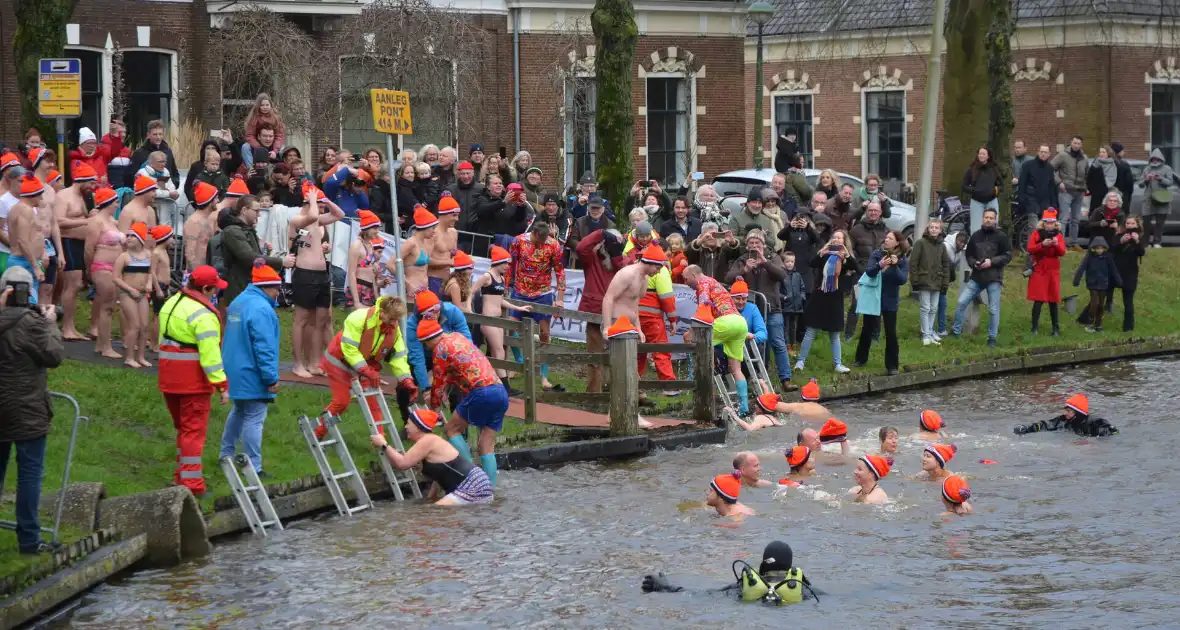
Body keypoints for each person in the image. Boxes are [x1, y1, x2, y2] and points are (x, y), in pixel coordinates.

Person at [0, 266, 65, 554]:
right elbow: (53, 356)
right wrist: (50, 322)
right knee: (28, 474)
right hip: (28, 409)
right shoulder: (35, 323)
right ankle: (28, 539)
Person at [157, 265, 230, 497]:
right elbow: (210, 356)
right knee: (193, 431)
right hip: (193, 382)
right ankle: (192, 485)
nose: (215, 293)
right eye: (214, 289)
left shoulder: (172, 302)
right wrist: (221, 385)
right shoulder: (204, 315)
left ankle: (181, 476)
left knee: (183, 429)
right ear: (206, 288)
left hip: (169, 378)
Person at [418, 319, 509, 486]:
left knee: (451, 429)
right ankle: (489, 490)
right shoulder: (458, 336)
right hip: (500, 391)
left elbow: (438, 383)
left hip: (481, 392)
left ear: (429, 340)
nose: (426, 348)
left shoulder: (440, 349)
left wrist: (435, 406)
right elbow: (461, 368)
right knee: (485, 446)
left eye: (425, 344)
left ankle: (471, 477)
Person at [316, 296, 416, 440]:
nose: (395, 323)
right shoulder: (358, 318)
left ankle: (381, 441)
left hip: (364, 366)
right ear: (382, 312)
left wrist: (406, 380)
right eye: (392, 319)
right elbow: (349, 349)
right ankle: (318, 432)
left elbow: (398, 357)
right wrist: (366, 371)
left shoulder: (393, 328)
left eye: (397, 320)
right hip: (339, 362)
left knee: (374, 403)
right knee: (341, 402)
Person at [219, 263, 282, 476]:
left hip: (233, 367)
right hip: (252, 371)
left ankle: (225, 455)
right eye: (276, 289)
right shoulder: (262, 309)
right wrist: (271, 378)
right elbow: (264, 347)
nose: (277, 293)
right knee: (255, 417)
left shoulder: (239, 301)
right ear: (266, 287)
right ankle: (253, 468)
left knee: (238, 411)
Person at [370, 408, 493, 505]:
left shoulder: (428, 440)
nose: (406, 427)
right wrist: (430, 498)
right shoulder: (428, 441)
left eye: (408, 423)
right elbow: (439, 476)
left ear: (418, 427)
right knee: (431, 512)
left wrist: (383, 444)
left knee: (434, 515)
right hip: (475, 484)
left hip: (472, 485)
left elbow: (402, 464)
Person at [642, 541, 821, 605]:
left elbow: (697, 595)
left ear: (763, 564)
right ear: (790, 567)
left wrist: (663, 587)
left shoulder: (743, 586)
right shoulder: (802, 590)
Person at [288, 186, 345, 378]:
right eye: (319, 205)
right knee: (302, 319)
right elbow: (310, 216)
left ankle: (314, 362)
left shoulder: (317, 218)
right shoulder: (297, 219)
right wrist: (313, 200)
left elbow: (339, 214)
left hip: (321, 275)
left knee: (319, 320)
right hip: (305, 274)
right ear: (308, 202)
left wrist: (326, 200)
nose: (321, 209)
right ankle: (298, 363)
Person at [727, 229, 793, 390]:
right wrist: (744, 271)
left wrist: (765, 263)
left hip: (772, 307)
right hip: (749, 309)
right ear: (747, 245)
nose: (755, 246)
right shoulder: (742, 260)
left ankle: (786, 379)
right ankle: (757, 378)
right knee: (755, 343)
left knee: (778, 343)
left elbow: (782, 275)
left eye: (758, 243)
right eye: (751, 243)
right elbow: (728, 278)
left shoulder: (773, 257)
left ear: (763, 245)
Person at [682, 265, 750, 415]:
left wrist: (691, 330)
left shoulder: (703, 283)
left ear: (694, 275)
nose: (685, 282)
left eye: (685, 279)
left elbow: (704, 306)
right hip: (740, 323)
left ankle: (695, 376)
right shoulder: (714, 282)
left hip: (727, 322)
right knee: (735, 369)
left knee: (689, 338)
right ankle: (744, 408)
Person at [506, 221, 566, 392]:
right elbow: (511, 264)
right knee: (510, 327)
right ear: (533, 234)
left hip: (543, 293)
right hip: (520, 291)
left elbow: (560, 271)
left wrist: (560, 298)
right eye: (537, 242)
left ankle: (544, 376)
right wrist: (506, 287)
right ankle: (518, 360)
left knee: (545, 334)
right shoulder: (519, 241)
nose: (540, 245)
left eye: (543, 242)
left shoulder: (553, 245)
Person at [218, 194, 295, 310]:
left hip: (246, 286)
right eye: (256, 210)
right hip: (238, 289)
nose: (259, 214)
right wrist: (281, 261)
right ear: (244, 210)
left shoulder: (246, 229)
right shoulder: (233, 231)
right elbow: (249, 257)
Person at [575, 229, 629, 392]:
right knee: (594, 355)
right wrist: (601, 233)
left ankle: (618, 389)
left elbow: (624, 267)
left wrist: (614, 254)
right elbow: (580, 248)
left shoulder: (623, 261)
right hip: (594, 310)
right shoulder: (591, 258)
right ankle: (594, 392)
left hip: (617, 313)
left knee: (619, 353)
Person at [794, 232, 857, 373]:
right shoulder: (826, 254)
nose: (836, 239)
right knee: (811, 330)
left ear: (844, 241)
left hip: (835, 298)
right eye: (834, 237)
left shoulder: (845, 258)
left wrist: (846, 254)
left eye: (840, 238)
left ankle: (838, 364)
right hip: (820, 296)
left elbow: (856, 268)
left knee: (834, 334)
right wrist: (822, 252)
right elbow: (812, 263)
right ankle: (800, 361)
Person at [950, 208, 1011, 348]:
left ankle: (992, 338)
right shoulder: (976, 236)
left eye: (991, 218)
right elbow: (969, 255)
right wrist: (974, 263)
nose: (988, 220)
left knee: (993, 309)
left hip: (994, 277)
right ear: (982, 218)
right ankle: (956, 331)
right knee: (961, 302)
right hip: (977, 276)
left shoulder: (1001, 237)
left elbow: (1008, 255)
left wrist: (992, 262)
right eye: (986, 217)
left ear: (995, 220)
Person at [472, 246, 532, 389]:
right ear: (497, 262)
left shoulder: (501, 278)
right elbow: (472, 290)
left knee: (498, 351)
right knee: (499, 350)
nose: (507, 266)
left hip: (498, 319)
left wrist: (518, 308)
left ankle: (492, 382)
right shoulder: (487, 276)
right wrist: (469, 309)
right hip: (488, 319)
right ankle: (505, 386)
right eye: (505, 263)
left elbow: (500, 300)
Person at [853, 231, 909, 375]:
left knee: (891, 332)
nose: (886, 240)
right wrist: (880, 264)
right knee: (867, 328)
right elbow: (869, 272)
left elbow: (902, 280)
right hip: (874, 297)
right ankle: (860, 359)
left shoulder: (902, 259)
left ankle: (892, 366)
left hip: (890, 299)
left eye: (890, 238)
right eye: (886, 238)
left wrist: (895, 266)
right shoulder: (877, 254)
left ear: (897, 242)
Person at [54, 161, 98, 340]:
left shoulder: (85, 196)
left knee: (75, 285)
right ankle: (67, 327)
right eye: (91, 183)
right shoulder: (64, 196)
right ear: (82, 180)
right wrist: (84, 221)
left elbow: (86, 218)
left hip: (81, 243)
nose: (93, 187)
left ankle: (70, 326)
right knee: (72, 285)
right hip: (68, 242)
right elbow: (58, 221)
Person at [407, 289, 472, 398]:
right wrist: (426, 388)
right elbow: (417, 357)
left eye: (437, 310)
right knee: (407, 384)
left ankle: (458, 410)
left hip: (451, 357)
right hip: (427, 356)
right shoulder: (412, 324)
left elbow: (467, 343)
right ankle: (408, 412)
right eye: (429, 313)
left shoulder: (453, 312)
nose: (435, 315)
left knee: (458, 391)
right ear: (420, 315)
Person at [633, 241, 678, 396]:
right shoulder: (661, 270)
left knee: (638, 352)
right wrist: (673, 320)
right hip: (651, 317)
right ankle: (669, 386)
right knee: (660, 349)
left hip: (633, 315)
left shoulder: (635, 264)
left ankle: (632, 383)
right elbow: (667, 297)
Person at [84, 187, 123, 358]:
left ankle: (101, 344)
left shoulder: (112, 222)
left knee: (110, 305)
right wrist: (89, 269)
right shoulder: (96, 222)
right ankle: (106, 347)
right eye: (115, 201)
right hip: (101, 266)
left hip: (114, 268)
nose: (117, 204)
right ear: (107, 203)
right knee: (107, 305)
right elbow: (88, 249)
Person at [114, 222, 154, 369]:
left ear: (141, 239)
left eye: (133, 236)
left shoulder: (148, 255)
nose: (129, 238)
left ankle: (141, 356)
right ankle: (129, 357)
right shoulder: (124, 257)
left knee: (144, 326)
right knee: (134, 326)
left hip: (142, 294)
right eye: (128, 235)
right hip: (127, 294)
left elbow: (151, 272)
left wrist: (149, 283)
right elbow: (116, 278)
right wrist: (130, 289)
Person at [1025, 209, 1067, 335]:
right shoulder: (1036, 234)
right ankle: (1034, 328)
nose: (1049, 225)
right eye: (1047, 222)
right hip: (1039, 269)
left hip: (1053, 270)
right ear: (1043, 223)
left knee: (1053, 300)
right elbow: (1030, 249)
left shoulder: (1058, 236)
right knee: (1038, 299)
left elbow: (1062, 252)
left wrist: (1056, 244)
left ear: (1055, 224)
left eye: (1052, 223)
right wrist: (1042, 245)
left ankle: (1055, 328)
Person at [909, 219, 950, 346]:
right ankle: (925, 333)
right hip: (924, 279)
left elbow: (945, 265)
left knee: (933, 308)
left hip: (937, 281)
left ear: (940, 230)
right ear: (928, 229)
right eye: (931, 227)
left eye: (936, 227)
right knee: (925, 307)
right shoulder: (921, 243)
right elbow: (913, 263)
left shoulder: (942, 246)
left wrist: (945, 282)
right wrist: (914, 280)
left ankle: (930, 330)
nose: (933, 229)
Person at [1072, 235, 1121, 333]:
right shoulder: (1089, 257)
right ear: (1093, 248)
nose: (1099, 250)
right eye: (1097, 248)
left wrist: (1118, 280)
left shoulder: (1108, 257)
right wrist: (1076, 280)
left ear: (1104, 248)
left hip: (1104, 283)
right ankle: (1090, 323)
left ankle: (1098, 324)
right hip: (1092, 283)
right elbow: (1081, 268)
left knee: (1101, 305)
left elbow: (1113, 269)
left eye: (1101, 248)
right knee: (1095, 303)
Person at [1013, 393, 1118, 436]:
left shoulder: (1094, 422)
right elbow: (1046, 425)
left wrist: (1108, 431)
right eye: (1065, 410)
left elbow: (1112, 432)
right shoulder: (1063, 420)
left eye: (1068, 411)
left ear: (1077, 413)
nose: (1065, 413)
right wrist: (1026, 428)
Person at [1050, 136, 1088, 245]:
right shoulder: (1062, 156)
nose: (1076, 145)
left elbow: (1086, 174)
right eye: (1074, 143)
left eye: (1078, 143)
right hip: (1065, 191)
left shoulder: (1084, 158)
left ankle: (1074, 243)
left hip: (1079, 192)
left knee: (1076, 219)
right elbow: (1050, 169)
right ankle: (1060, 243)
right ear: (1071, 143)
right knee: (1063, 219)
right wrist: (1058, 182)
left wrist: (1085, 187)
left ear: (1081, 145)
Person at [1112, 216, 1146, 332]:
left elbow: (1141, 252)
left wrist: (1136, 241)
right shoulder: (1119, 236)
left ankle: (1128, 327)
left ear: (1137, 225)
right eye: (1128, 223)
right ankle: (1091, 320)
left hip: (1130, 273)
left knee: (1128, 301)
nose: (1130, 226)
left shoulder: (1140, 237)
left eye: (1132, 224)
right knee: (1101, 295)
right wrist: (1121, 242)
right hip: (1116, 271)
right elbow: (1112, 250)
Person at [125, 120, 179, 190]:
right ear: (148, 135)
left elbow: (174, 173)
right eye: (155, 134)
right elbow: (129, 176)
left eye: (160, 134)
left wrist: (173, 186)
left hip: (166, 195)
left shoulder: (168, 151)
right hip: (145, 194)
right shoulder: (139, 153)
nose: (158, 137)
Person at [346, 211, 385, 308]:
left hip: (370, 289)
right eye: (374, 228)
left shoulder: (370, 245)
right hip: (359, 289)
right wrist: (356, 301)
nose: (377, 231)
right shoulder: (357, 246)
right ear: (366, 228)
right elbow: (351, 274)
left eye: (378, 228)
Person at [1139, 148, 1175, 248]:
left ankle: (1157, 242)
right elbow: (1140, 184)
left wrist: (1160, 178)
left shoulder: (1167, 168)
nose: (1155, 160)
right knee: (1146, 223)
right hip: (1148, 199)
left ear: (1161, 159)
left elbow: (1170, 182)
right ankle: (1145, 243)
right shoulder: (1147, 169)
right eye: (1153, 158)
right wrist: (1146, 179)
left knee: (1160, 223)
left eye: (1157, 158)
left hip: (1162, 199)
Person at [962, 146, 1002, 233]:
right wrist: (975, 190)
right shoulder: (971, 170)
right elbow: (964, 186)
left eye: (984, 154)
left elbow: (1000, 185)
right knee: (976, 228)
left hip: (991, 200)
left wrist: (995, 191)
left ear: (988, 156)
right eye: (980, 154)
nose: (981, 156)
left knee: (993, 226)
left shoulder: (994, 169)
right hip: (977, 201)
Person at [428, 195, 461, 299]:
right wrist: (449, 262)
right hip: (432, 279)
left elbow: (453, 257)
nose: (457, 219)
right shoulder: (432, 233)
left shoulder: (454, 232)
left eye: (457, 215)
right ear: (444, 215)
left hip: (447, 282)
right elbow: (425, 260)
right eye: (454, 215)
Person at [937, 231, 968, 336]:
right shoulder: (946, 246)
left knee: (942, 305)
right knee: (934, 306)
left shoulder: (960, 251)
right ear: (956, 240)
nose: (961, 244)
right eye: (960, 242)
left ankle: (941, 329)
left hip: (945, 280)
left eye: (964, 243)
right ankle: (933, 330)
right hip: (937, 279)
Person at [1017, 144, 1058, 219]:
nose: (1043, 154)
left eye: (1045, 152)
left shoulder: (1050, 168)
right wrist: (1022, 199)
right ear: (1038, 152)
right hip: (1030, 199)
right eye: (1041, 152)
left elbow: (1051, 186)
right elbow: (1022, 183)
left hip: (1045, 201)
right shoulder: (1028, 165)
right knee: (1033, 223)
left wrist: (1054, 203)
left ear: (1049, 154)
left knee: (1045, 224)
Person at [1086, 146, 1120, 213]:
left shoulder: (1112, 164)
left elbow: (1112, 179)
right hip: (1094, 193)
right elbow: (1089, 177)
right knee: (1094, 213)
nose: (1101, 154)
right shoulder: (1095, 163)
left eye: (1104, 152)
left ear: (1108, 153)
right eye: (1100, 152)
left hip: (1107, 193)